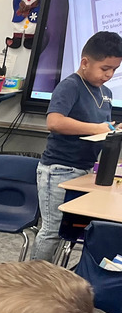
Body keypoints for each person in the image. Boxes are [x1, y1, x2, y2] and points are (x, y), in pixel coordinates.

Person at [32, 31, 122, 262]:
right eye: (105, 68)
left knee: (72, 231)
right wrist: (98, 128)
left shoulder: (107, 93)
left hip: (84, 170)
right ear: (85, 62)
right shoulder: (70, 86)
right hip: (59, 169)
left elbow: (99, 128)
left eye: (114, 69)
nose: (109, 75)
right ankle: (32, 284)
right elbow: (54, 122)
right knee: (52, 231)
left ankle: (57, 281)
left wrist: (112, 131)